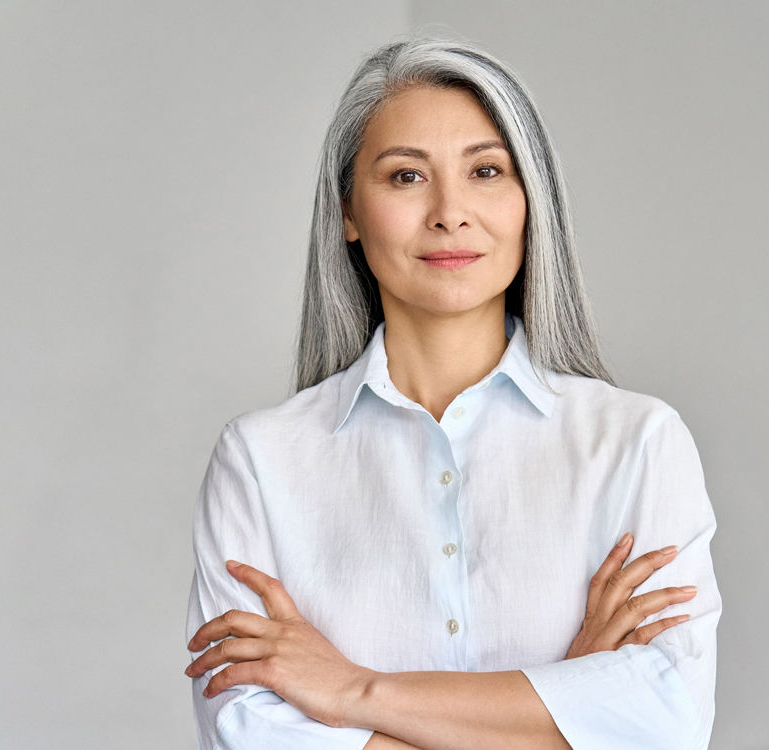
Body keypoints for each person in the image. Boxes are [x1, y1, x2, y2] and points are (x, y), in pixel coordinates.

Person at [183, 38, 721, 750]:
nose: (450, 212)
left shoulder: (638, 444)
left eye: (487, 171)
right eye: (406, 177)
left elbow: (668, 723)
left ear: (532, 202)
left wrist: (352, 692)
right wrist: (567, 705)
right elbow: (252, 735)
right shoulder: (260, 460)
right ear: (348, 211)